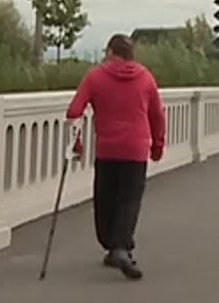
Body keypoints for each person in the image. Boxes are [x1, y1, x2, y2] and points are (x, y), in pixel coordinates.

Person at [66, 33, 166, 280]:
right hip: (136, 149)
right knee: (129, 201)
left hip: (107, 149)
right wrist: (157, 146)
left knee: (105, 200)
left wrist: (76, 143)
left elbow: (74, 111)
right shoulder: (145, 78)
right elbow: (157, 115)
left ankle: (115, 246)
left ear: (111, 52)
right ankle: (120, 248)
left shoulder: (95, 76)